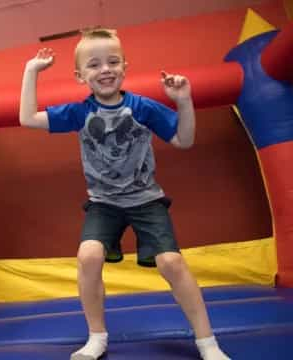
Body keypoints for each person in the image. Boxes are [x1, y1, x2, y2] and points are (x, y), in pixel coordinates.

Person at [19, 28, 230, 360]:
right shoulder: (79, 113)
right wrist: (31, 71)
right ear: (80, 76)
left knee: (171, 262)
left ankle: (208, 343)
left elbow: (184, 140)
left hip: (146, 199)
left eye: (112, 61)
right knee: (88, 256)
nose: (105, 69)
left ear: (125, 67)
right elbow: (27, 118)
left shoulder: (143, 107)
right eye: (94, 65)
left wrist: (184, 101)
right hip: (104, 204)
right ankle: (96, 337)